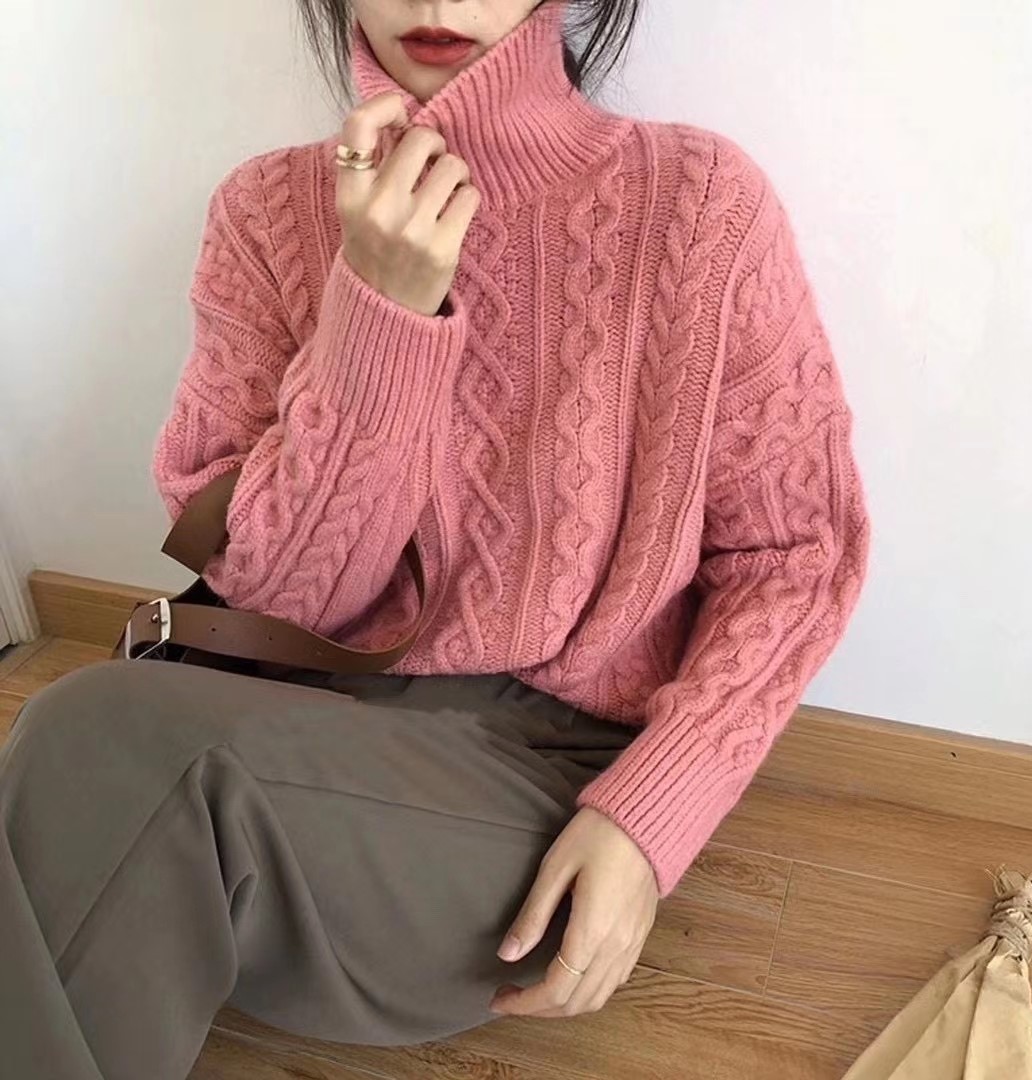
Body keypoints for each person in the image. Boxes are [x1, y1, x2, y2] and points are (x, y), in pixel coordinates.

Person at [0, 0, 870, 1075]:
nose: (435, 0)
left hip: (543, 791)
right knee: (83, 746)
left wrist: (653, 815)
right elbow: (277, 595)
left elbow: (795, 557)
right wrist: (379, 309)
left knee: (95, 746)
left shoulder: (699, 203)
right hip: (300, 727)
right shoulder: (264, 212)